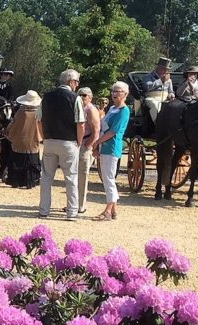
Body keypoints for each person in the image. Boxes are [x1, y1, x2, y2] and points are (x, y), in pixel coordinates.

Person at [37, 69, 86, 220]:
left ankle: (44, 210)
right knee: (71, 177)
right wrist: (79, 141)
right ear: (70, 82)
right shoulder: (75, 98)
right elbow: (81, 123)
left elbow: (39, 120)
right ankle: (72, 212)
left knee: (46, 177)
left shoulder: (46, 97)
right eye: (77, 82)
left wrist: (44, 138)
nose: (77, 85)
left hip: (50, 141)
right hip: (68, 141)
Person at [92, 81, 131, 222]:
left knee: (108, 179)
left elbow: (113, 131)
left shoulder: (124, 111)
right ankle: (113, 210)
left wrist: (97, 142)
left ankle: (108, 210)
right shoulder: (113, 109)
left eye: (118, 91)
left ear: (125, 94)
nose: (115, 94)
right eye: (113, 91)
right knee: (107, 178)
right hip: (105, 146)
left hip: (111, 147)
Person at [5, 90, 43, 189]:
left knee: (17, 159)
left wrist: (8, 131)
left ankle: (16, 181)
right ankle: (31, 181)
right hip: (33, 140)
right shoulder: (39, 113)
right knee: (32, 161)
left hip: (20, 140)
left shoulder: (20, 112)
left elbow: (13, 124)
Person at [76, 87, 101, 214]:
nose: (81, 97)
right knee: (74, 176)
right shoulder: (78, 107)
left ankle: (81, 205)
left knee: (82, 176)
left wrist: (88, 146)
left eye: (84, 95)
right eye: (79, 94)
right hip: (76, 144)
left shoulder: (91, 110)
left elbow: (96, 131)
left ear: (90, 98)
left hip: (85, 145)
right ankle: (74, 203)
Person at [143, 57, 174, 123]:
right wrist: (160, 81)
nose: (166, 71)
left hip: (165, 99)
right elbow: (148, 87)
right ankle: (158, 124)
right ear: (158, 67)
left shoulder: (168, 79)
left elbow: (171, 91)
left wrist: (171, 95)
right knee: (155, 105)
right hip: (152, 98)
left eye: (167, 69)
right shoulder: (148, 76)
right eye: (164, 69)